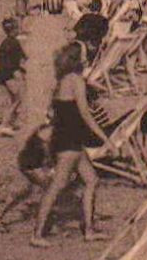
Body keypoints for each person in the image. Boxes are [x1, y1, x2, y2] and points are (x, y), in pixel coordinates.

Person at [31, 42, 109, 247]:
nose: (87, 57)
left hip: (65, 137)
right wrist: (106, 139)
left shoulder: (62, 81)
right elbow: (86, 115)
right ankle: (37, 235)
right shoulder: (76, 81)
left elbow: (51, 113)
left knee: (92, 180)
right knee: (57, 186)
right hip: (69, 140)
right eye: (84, 55)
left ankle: (89, 230)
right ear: (78, 59)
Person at [0, 124, 53, 233]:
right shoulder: (49, 129)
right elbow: (46, 148)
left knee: (25, 191)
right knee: (49, 189)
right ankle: (44, 223)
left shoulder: (49, 127)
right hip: (31, 163)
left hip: (29, 162)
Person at [0, 17, 27, 137]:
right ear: (13, 30)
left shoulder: (5, 42)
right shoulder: (15, 43)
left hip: (1, 74)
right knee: (17, 99)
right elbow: (22, 58)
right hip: (8, 74)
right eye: (17, 28)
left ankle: (10, 123)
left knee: (13, 99)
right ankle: (4, 125)